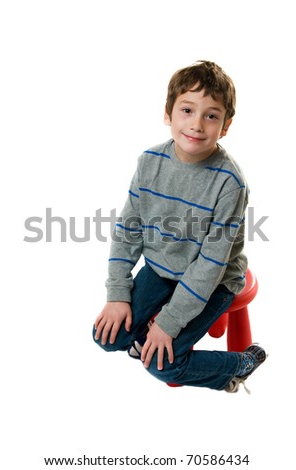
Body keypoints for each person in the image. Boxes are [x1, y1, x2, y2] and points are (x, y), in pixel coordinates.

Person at [92, 60, 267, 392]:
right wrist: (117, 293)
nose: (197, 124)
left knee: (165, 365)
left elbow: (210, 265)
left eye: (211, 115)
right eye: (187, 110)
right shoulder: (149, 163)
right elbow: (128, 231)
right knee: (105, 337)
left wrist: (169, 323)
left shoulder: (230, 183)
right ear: (168, 114)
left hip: (215, 280)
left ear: (225, 126)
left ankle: (241, 363)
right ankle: (145, 339)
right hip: (161, 268)